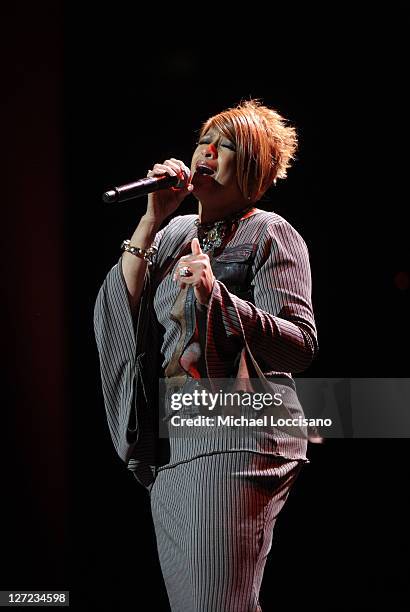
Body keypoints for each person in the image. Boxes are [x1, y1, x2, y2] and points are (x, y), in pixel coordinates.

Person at [94, 99, 318, 611]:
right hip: (173, 448)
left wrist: (217, 297)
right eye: (204, 142)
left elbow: (300, 344)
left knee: (217, 601)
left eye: (227, 147)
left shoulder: (271, 232)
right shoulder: (173, 233)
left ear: (256, 170)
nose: (208, 152)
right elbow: (118, 313)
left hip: (235, 435)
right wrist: (151, 222)